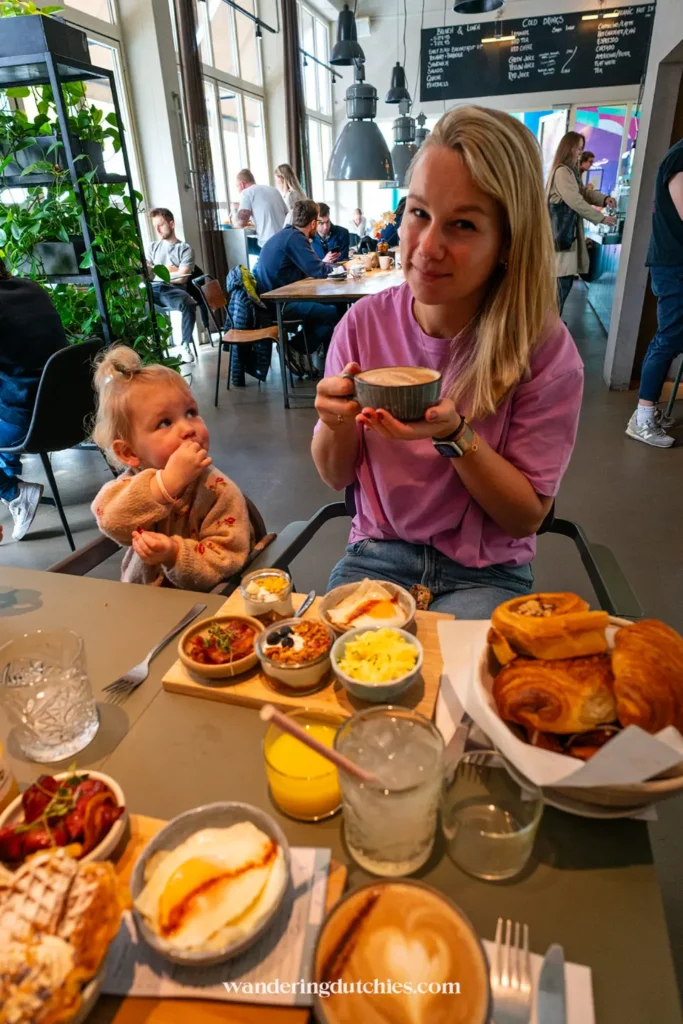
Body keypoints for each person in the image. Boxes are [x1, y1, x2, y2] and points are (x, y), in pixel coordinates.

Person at [312, 105, 585, 620]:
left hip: (487, 571)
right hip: (377, 554)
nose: (427, 247)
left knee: (462, 677)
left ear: (507, 243)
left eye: (462, 224)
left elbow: (525, 518)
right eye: (418, 213)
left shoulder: (543, 350)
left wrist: (456, 435)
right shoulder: (361, 326)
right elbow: (333, 474)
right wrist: (335, 421)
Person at [91, 346, 250, 590]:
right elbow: (111, 520)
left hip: (207, 603)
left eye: (191, 412)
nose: (188, 428)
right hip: (143, 601)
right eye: (165, 423)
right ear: (129, 453)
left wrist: (174, 553)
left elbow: (227, 559)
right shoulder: (128, 485)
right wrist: (164, 485)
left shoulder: (218, 490)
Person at [0, 265, 65, 540]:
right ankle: (9, 475)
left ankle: (13, 492)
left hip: (29, 420)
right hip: (70, 409)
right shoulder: (31, 287)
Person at [626, 138, 683, 448]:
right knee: (669, 337)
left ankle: (647, 412)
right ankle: (643, 416)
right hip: (674, 265)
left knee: (670, 337)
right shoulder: (680, 157)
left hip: (673, 263)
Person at [256, 199, 341, 358]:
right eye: (318, 221)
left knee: (331, 306)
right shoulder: (295, 238)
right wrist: (344, 269)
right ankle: (295, 349)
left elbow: (307, 269)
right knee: (332, 313)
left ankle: (321, 357)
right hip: (278, 304)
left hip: (273, 300)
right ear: (313, 223)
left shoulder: (287, 235)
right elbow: (318, 270)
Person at [546, 132, 616, 314]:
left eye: (581, 148)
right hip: (562, 239)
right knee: (560, 286)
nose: (580, 152)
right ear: (568, 148)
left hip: (564, 238)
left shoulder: (570, 171)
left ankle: (553, 325)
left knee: (562, 286)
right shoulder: (563, 172)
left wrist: (603, 199)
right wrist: (600, 218)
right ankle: (551, 327)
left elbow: (582, 193)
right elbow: (575, 200)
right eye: (578, 148)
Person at [146, 208, 197, 358]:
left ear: (172, 224)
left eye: (161, 225)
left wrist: (156, 269)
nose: (157, 230)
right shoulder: (152, 247)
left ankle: (185, 345)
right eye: (155, 226)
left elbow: (182, 278)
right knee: (137, 304)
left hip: (172, 290)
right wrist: (168, 269)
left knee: (189, 303)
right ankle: (151, 350)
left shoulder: (184, 248)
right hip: (152, 289)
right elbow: (146, 274)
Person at [235, 168, 287, 246]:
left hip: (268, 244)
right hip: (285, 241)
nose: (237, 190)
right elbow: (286, 214)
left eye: (237, 186)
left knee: (241, 244)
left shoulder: (246, 193)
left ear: (241, 184)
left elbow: (240, 223)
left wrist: (234, 210)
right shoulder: (274, 190)